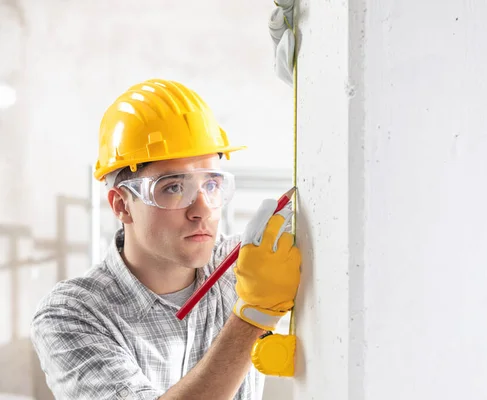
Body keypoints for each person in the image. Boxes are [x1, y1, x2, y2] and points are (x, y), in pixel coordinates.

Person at [30, 79, 302, 400]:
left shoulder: (246, 269)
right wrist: (251, 317)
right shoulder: (72, 314)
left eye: (212, 185)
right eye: (174, 187)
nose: (202, 209)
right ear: (121, 205)